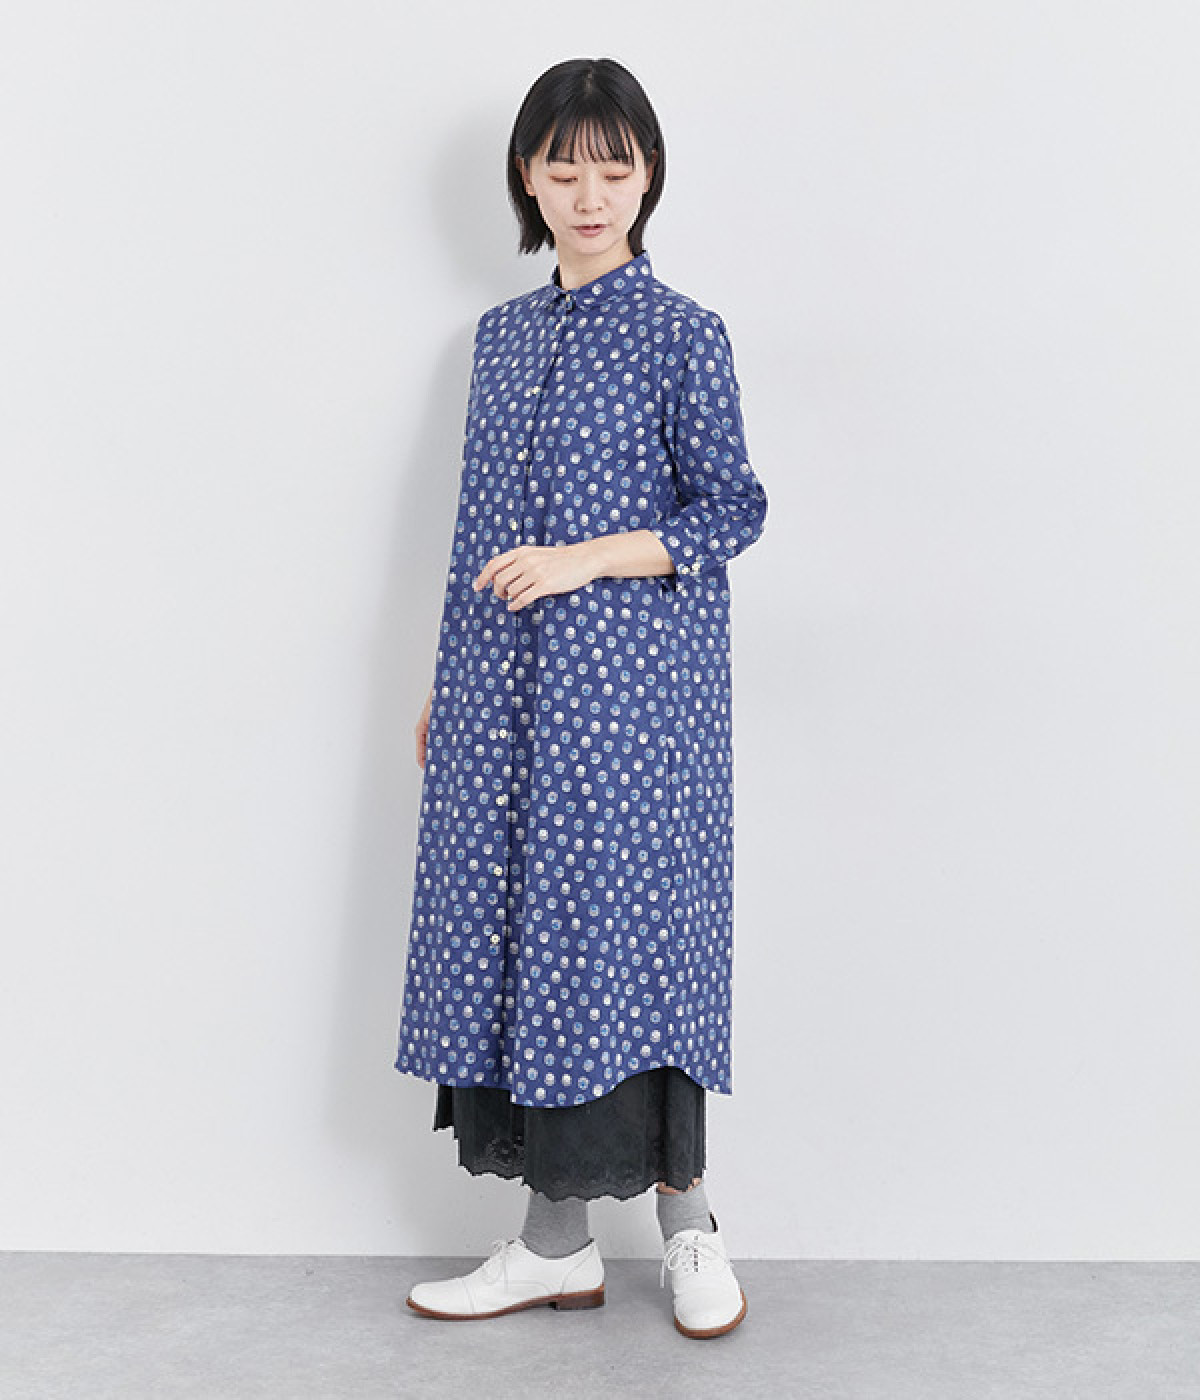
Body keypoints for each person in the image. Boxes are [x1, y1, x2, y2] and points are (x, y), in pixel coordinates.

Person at [394, 56, 767, 1340]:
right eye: (565, 168)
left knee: (632, 941)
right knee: (524, 940)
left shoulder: (683, 332)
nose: (590, 193)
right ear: (528, 177)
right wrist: (448, 678)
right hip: (505, 693)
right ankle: (554, 1242)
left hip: (635, 703)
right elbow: (476, 531)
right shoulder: (499, 340)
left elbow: (733, 509)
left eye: (614, 168)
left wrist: (584, 558)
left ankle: (690, 1226)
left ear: (649, 176)